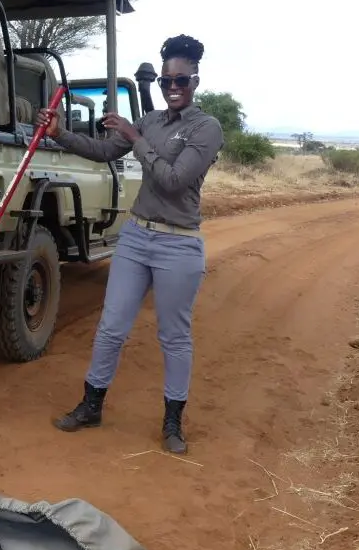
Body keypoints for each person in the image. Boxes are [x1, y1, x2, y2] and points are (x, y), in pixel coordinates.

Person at [35, 34, 223, 454]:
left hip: (178, 245)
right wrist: (61, 134)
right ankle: (91, 405)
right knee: (111, 327)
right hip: (137, 237)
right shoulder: (153, 122)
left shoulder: (206, 128)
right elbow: (103, 150)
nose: (173, 87)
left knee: (174, 337)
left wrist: (134, 137)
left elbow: (174, 181)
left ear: (195, 81)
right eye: (166, 80)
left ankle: (172, 422)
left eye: (182, 80)